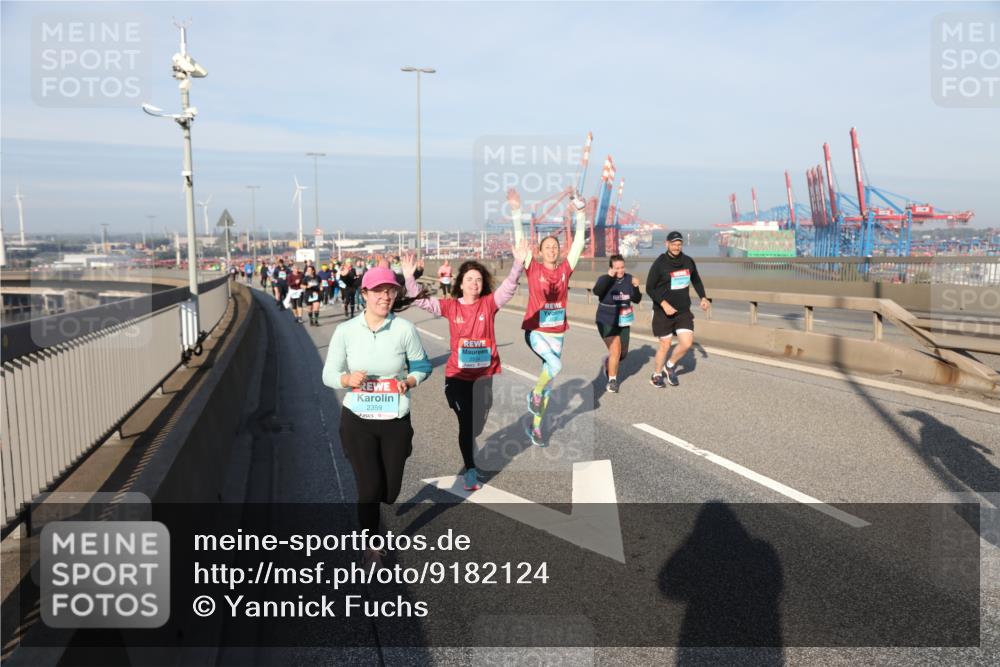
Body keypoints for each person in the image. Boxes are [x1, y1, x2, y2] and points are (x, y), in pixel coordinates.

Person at [322, 266, 432, 567]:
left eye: (391, 290)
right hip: (358, 419)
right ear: (365, 294)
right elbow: (328, 374)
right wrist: (346, 380)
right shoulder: (345, 331)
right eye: (379, 290)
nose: (386, 296)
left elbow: (423, 366)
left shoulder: (404, 330)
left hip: (395, 418)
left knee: (390, 491)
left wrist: (409, 381)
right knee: (369, 487)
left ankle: (382, 506)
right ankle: (372, 547)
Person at [401, 241, 529, 490]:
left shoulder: (489, 304)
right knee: (467, 424)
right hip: (457, 377)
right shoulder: (451, 307)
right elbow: (422, 301)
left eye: (478, 280)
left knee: (478, 423)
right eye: (469, 279)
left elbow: (509, 288)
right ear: (460, 284)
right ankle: (471, 469)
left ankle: (471, 438)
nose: (474, 283)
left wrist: (518, 264)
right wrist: (409, 277)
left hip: (483, 378)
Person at [510, 187, 588, 447]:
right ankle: (533, 392)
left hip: (558, 335)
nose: (552, 249)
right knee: (555, 368)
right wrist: (516, 211)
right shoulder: (533, 267)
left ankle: (536, 428)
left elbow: (579, 240)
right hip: (535, 331)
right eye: (548, 247)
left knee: (549, 387)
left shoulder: (566, 268)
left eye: (555, 246)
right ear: (540, 252)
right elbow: (521, 242)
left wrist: (581, 212)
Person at [645, 231, 710, 388]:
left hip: (683, 311)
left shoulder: (688, 261)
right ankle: (656, 375)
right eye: (673, 244)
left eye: (679, 244)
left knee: (687, 343)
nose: (676, 247)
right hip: (663, 312)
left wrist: (703, 297)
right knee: (665, 345)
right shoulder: (660, 263)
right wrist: (664, 304)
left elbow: (696, 279)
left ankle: (670, 365)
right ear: (666, 244)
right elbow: (649, 288)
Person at [593, 254, 642, 393]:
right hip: (606, 320)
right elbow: (597, 291)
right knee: (615, 350)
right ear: (611, 268)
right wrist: (609, 277)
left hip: (624, 321)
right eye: (616, 268)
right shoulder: (605, 279)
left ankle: (608, 362)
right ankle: (612, 381)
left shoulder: (629, 279)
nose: (620, 271)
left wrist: (637, 287)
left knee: (623, 354)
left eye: (622, 267)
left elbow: (637, 300)